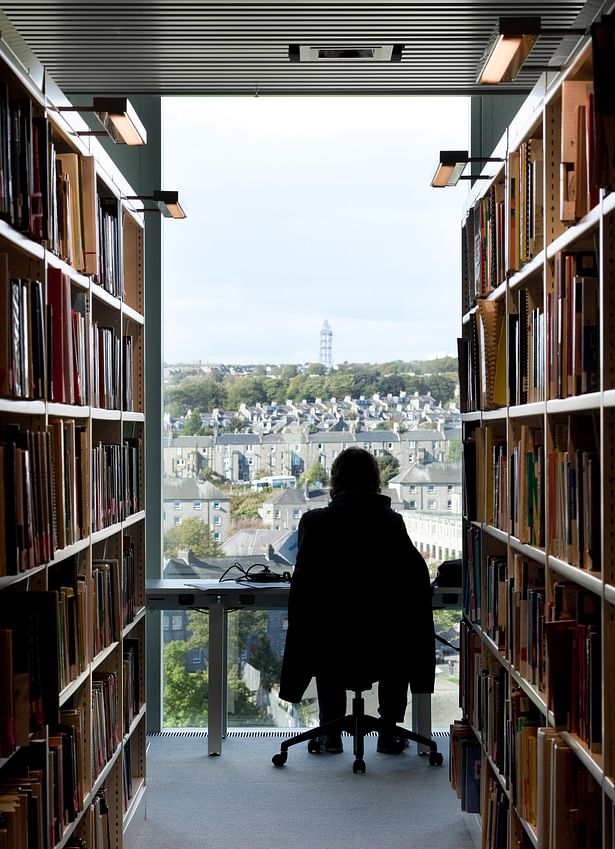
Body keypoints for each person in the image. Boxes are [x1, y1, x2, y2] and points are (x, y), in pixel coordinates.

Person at [279, 447, 435, 755]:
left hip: (332, 647)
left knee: (325, 633)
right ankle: (389, 731)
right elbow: (417, 582)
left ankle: (330, 733)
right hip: (383, 648)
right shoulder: (391, 523)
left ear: (335, 481)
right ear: (374, 481)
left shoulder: (314, 523)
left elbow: (305, 589)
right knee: (398, 635)